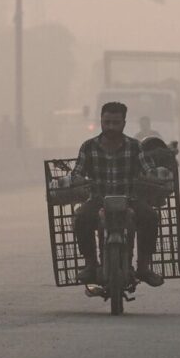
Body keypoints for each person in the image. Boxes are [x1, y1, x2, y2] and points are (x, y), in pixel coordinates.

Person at [71, 102, 164, 287]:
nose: (111, 127)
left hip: (130, 199)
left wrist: (155, 176)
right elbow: (77, 173)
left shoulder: (135, 146)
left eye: (115, 122)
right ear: (101, 122)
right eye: (107, 122)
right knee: (81, 217)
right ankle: (90, 265)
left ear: (123, 123)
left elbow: (149, 169)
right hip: (98, 200)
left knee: (151, 218)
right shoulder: (88, 147)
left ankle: (143, 267)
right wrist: (75, 181)